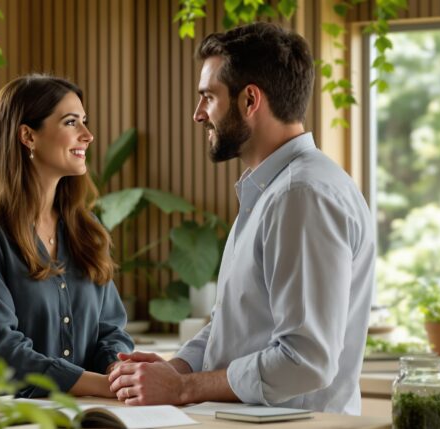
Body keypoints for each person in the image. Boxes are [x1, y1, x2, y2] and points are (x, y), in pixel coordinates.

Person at [108, 22, 375, 415]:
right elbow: (231, 327)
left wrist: (183, 388)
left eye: (208, 97)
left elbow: (305, 361)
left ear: (250, 100)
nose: (198, 114)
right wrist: (175, 369)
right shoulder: (272, 192)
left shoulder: (300, 196)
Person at [0, 74, 134, 398]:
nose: (88, 135)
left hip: (88, 412)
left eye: (84, 122)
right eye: (71, 122)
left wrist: (117, 371)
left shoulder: (86, 228)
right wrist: (105, 386)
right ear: (28, 135)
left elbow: (111, 330)